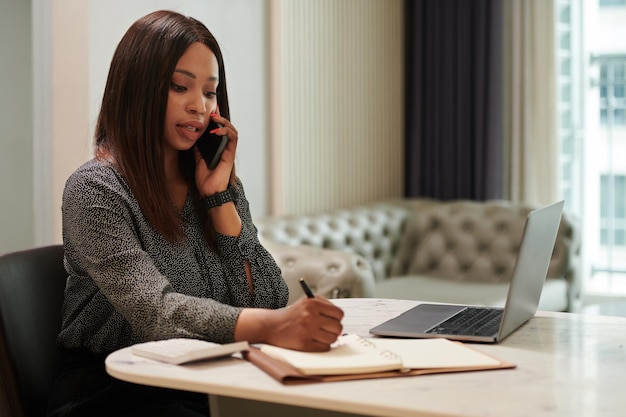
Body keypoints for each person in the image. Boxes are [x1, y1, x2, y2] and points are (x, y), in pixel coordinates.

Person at [46, 10, 344, 417]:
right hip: (114, 388)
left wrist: (219, 201)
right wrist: (271, 327)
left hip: (207, 375)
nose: (199, 107)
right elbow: (156, 312)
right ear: (138, 89)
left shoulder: (217, 184)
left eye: (209, 92)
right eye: (179, 87)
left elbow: (271, 299)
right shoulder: (95, 190)